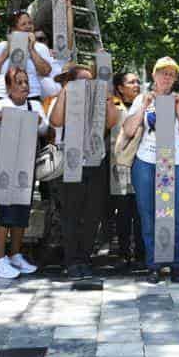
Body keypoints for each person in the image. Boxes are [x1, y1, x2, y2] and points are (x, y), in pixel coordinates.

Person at [121, 58, 179, 283]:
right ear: (154, 75)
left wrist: (178, 110)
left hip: (176, 161)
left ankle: (175, 263)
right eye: (163, 73)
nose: (167, 77)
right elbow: (128, 129)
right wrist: (143, 105)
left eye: (171, 74)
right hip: (146, 161)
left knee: (175, 215)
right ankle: (153, 265)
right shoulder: (142, 98)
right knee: (148, 215)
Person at [49, 63, 119, 279]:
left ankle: (85, 259)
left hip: (95, 162)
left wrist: (107, 100)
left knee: (92, 214)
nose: (89, 84)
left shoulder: (98, 100)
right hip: (71, 162)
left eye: (92, 80)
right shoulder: (62, 97)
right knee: (71, 214)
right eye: (84, 80)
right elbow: (55, 121)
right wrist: (66, 91)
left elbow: (113, 121)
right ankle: (71, 261)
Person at [0, 68, 48, 279]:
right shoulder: (0, 105)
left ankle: (15, 255)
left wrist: (40, 123)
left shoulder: (34, 105)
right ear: (9, 86)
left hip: (25, 165)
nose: (24, 86)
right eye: (19, 82)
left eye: (26, 82)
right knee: (4, 214)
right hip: (4, 167)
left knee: (21, 213)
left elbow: (45, 130)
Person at [110, 71, 144, 268]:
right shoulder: (114, 106)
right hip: (119, 165)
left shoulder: (145, 105)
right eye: (131, 82)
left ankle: (141, 253)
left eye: (138, 82)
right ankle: (123, 253)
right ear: (120, 88)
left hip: (141, 164)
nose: (136, 85)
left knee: (141, 210)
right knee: (123, 211)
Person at [0, 11, 54, 104]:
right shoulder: (2, 45)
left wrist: (32, 49)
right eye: (23, 24)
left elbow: (46, 71)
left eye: (30, 23)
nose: (28, 27)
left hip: (30, 96)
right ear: (14, 29)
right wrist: (7, 50)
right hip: (0, 95)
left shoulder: (40, 48)